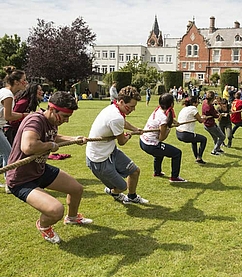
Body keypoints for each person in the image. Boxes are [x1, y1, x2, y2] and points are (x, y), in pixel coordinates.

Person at [6, 91, 93, 244]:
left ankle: (72, 218)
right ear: (52, 109)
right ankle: (44, 226)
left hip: (39, 170)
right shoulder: (35, 120)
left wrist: (73, 139)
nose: (66, 121)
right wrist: (49, 145)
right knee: (56, 210)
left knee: (76, 189)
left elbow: (52, 136)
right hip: (21, 179)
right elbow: (28, 146)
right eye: (64, 116)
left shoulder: (51, 122)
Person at [86, 86, 148, 204]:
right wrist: (130, 134)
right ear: (121, 102)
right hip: (99, 160)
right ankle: (112, 191)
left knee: (135, 171)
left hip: (110, 151)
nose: (133, 109)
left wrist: (135, 129)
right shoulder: (115, 117)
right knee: (122, 187)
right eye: (131, 107)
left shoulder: (114, 108)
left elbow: (122, 122)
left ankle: (132, 197)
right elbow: (122, 141)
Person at [140, 93, 187, 182]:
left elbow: (166, 116)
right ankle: (174, 177)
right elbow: (162, 138)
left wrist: (175, 122)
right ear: (172, 104)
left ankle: (157, 172)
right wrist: (168, 130)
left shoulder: (158, 110)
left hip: (143, 141)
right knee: (177, 153)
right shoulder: (164, 120)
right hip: (151, 144)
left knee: (161, 151)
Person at [0, 66, 29, 193]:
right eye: (24, 80)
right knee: (9, 153)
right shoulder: (8, 95)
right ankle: (9, 184)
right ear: (16, 82)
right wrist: (25, 115)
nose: (26, 83)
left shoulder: (4, 91)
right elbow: (9, 116)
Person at [176, 96, 207, 164]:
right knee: (204, 139)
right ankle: (199, 157)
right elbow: (200, 120)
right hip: (185, 134)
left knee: (194, 140)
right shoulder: (193, 108)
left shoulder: (184, 108)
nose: (198, 103)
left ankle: (197, 158)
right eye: (197, 102)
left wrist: (201, 118)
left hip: (178, 133)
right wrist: (204, 118)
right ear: (193, 103)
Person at [202, 91, 225, 155]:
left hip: (206, 124)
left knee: (215, 137)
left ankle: (218, 149)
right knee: (222, 137)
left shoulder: (204, 102)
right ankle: (214, 151)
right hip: (211, 125)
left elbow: (213, 112)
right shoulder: (210, 106)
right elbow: (215, 115)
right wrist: (220, 115)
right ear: (213, 98)